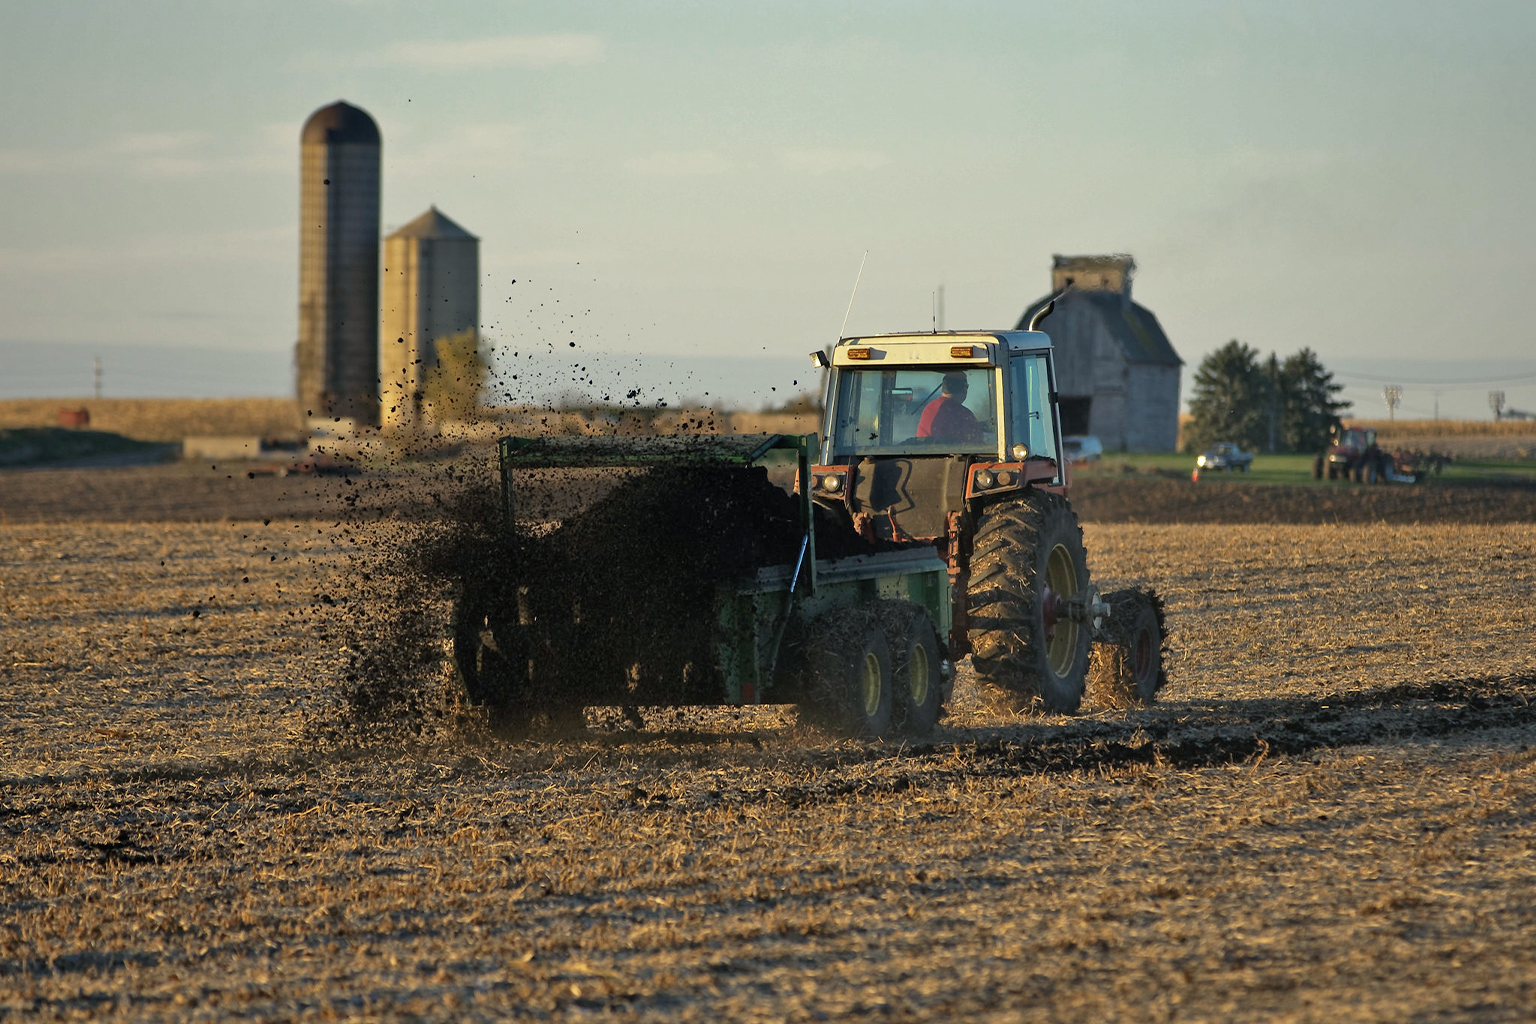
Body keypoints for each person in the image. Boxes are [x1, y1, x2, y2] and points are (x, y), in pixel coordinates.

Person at [917, 372, 983, 442]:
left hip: (923, 451)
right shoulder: (963, 414)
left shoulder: (928, 408)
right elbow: (978, 444)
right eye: (967, 386)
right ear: (964, 388)